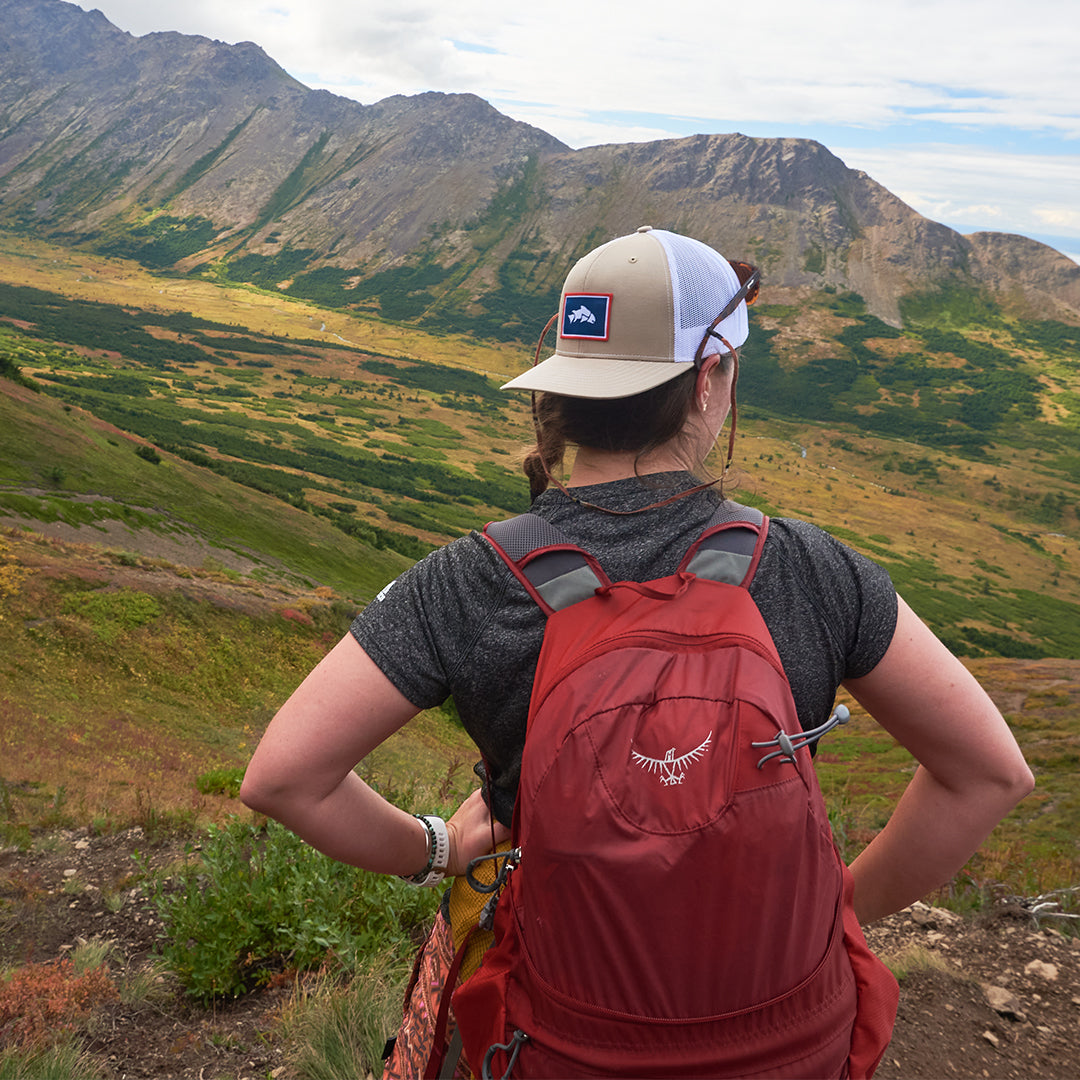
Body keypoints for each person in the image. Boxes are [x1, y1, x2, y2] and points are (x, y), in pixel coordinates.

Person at [240, 226, 1034, 1076]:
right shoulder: (814, 570)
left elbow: (285, 779)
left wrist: (433, 849)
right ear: (708, 382)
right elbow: (988, 775)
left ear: (562, 392)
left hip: (563, 1045)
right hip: (789, 1048)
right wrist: (837, 909)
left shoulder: (467, 582)